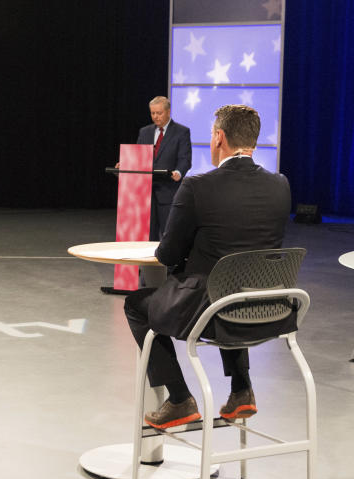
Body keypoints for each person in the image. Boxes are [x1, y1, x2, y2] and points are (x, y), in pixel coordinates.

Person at [124, 104, 291, 429]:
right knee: (234, 285)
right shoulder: (280, 185)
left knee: (136, 305)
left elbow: (168, 254)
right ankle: (242, 390)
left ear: (219, 137)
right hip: (268, 308)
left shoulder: (198, 186)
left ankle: (179, 398)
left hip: (211, 312)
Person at [137, 96, 192, 239]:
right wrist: (126, 163)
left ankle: (167, 261)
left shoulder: (181, 132)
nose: (155, 116)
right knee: (148, 235)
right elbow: (138, 157)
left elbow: (185, 159)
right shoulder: (145, 132)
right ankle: (146, 261)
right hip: (146, 193)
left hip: (168, 191)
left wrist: (179, 172)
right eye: (152, 113)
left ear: (168, 112)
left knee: (168, 234)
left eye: (159, 113)